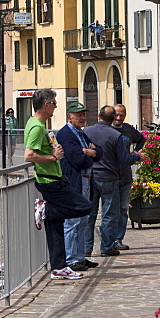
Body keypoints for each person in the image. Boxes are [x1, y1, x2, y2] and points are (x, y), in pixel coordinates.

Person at [24, 89, 93, 281]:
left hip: (51, 179)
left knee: (55, 227)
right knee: (84, 206)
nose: (56, 106)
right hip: (50, 181)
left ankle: (59, 267)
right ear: (46, 105)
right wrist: (53, 156)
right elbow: (29, 155)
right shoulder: (37, 127)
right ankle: (45, 209)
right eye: (54, 103)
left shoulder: (36, 123)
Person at [85, 105, 144, 257]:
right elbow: (124, 159)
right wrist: (137, 156)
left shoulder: (86, 132)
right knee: (109, 214)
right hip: (109, 178)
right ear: (112, 119)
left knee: (89, 214)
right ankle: (106, 247)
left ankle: (86, 248)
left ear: (99, 115)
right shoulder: (114, 135)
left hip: (90, 177)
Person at [56, 102, 102, 272]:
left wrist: (91, 152)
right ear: (70, 116)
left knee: (84, 220)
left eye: (84, 114)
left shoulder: (81, 134)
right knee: (72, 222)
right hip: (75, 180)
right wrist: (90, 154)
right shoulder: (66, 134)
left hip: (87, 179)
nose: (83, 118)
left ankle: (80, 257)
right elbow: (77, 159)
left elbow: (100, 152)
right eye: (79, 115)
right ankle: (71, 259)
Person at [112, 104, 145, 251]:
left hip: (125, 175)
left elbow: (141, 139)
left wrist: (135, 152)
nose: (119, 118)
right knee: (111, 210)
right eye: (117, 115)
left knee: (123, 208)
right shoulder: (107, 129)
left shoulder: (128, 129)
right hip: (110, 175)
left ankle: (119, 239)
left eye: (122, 115)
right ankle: (109, 240)